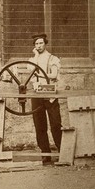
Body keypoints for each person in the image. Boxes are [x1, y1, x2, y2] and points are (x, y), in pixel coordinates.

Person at [28, 34, 62, 164]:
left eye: (41, 43)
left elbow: (53, 74)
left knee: (55, 123)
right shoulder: (32, 59)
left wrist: (40, 74)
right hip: (37, 94)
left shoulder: (53, 59)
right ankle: (45, 154)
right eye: (36, 44)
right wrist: (36, 56)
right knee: (39, 125)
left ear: (45, 43)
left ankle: (61, 150)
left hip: (50, 93)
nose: (39, 46)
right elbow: (31, 70)